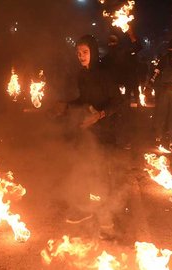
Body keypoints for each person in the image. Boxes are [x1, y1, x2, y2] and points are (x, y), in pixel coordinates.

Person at [63, 35, 123, 240]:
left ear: (94, 52)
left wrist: (99, 115)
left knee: (102, 175)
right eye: (78, 52)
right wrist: (66, 105)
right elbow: (83, 100)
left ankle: (107, 222)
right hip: (88, 132)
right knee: (88, 171)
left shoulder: (105, 74)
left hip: (105, 132)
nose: (81, 56)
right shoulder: (82, 75)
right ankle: (90, 207)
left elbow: (118, 101)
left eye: (85, 52)